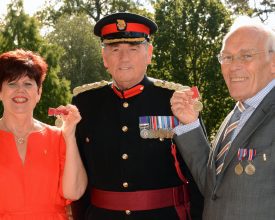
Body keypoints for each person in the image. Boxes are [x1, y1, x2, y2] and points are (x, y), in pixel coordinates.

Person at [71, 12, 203, 220]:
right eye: (114, 49)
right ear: (104, 57)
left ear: (149, 53)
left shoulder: (176, 101)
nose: (124, 58)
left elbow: (199, 173)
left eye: (133, 49)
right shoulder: (84, 104)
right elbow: (76, 174)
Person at [170, 16, 275, 220]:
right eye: (227, 57)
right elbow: (213, 188)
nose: (233, 66)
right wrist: (191, 124)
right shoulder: (235, 116)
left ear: (273, 63)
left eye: (246, 56)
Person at [0, 49, 87, 219]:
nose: (20, 90)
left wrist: (69, 136)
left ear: (38, 93)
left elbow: (74, 192)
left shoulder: (58, 137)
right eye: (12, 83)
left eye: (28, 84)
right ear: (0, 92)